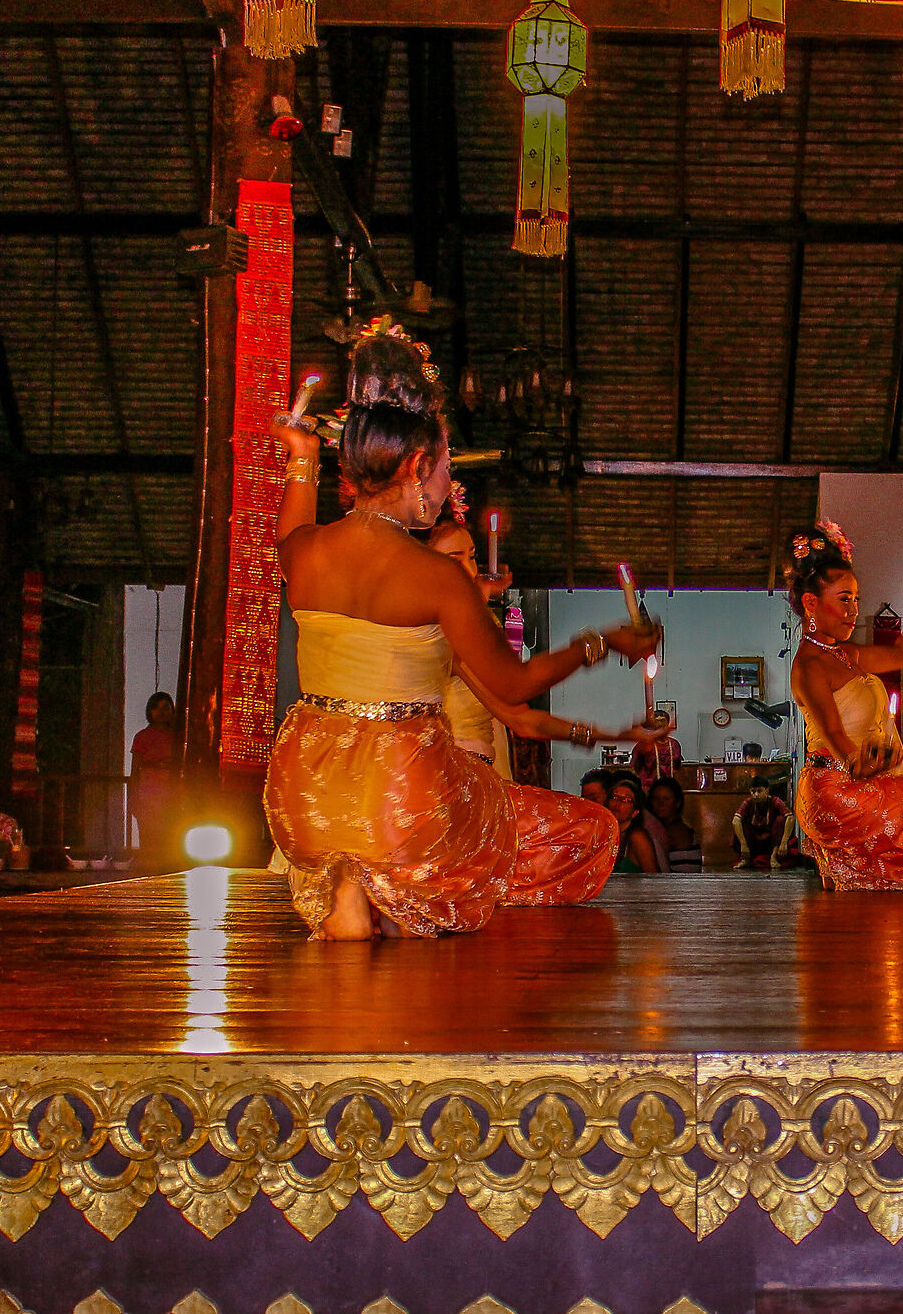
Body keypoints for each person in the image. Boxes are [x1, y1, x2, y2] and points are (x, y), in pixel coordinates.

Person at [265, 319, 658, 938]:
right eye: (447, 464)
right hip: (404, 786)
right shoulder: (437, 577)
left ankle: (358, 882)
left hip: (305, 784)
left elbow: (290, 521)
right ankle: (398, 885)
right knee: (582, 831)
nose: (449, 479)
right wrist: (602, 641)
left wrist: (303, 455)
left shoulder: (304, 552)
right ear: (418, 466)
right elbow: (515, 683)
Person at [425, 515, 629, 906]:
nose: (470, 569)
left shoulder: (460, 619)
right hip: (452, 780)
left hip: (478, 771)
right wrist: (601, 645)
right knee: (593, 827)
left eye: (472, 556)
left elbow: (516, 713)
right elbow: (518, 708)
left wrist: (612, 734)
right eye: (455, 559)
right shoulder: (441, 628)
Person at [786, 521, 903, 890]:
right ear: (811, 603)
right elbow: (836, 736)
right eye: (844, 599)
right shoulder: (810, 666)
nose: (853, 610)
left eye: (856, 599)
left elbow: (902, 654)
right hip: (835, 790)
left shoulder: (845, 655)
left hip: (860, 782)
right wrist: (861, 761)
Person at [130, 691, 181, 863]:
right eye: (156, 708)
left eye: (165, 708)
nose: (161, 712)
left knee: (170, 840)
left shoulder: (178, 737)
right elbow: (135, 771)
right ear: (150, 711)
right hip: (148, 795)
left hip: (171, 794)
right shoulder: (142, 737)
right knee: (149, 839)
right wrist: (133, 799)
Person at [606, 773, 665, 874]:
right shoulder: (606, 834)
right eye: (615, 797)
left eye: (626, 800)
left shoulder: (637, 837)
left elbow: (654, 877)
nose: (618, 803)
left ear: (635, 812)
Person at [645, 776, 702, 869]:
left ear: (677, 803)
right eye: (656, 799)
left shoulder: (678, 830)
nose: (660, 804)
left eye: (666, 799)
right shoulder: (660, 827)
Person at [734, 781, 789, 868]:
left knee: (780, 820)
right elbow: (735, 820)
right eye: (753, 791)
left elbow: (790, 817)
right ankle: (745, 859)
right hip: (754, 840)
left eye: (759, 791)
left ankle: (774, 857)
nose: (756, 795)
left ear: (766, 791)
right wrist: (743, 844)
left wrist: (784, 843)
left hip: (770, 840)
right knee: (742, 823)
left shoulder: (775, 801)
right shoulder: (748, 802)